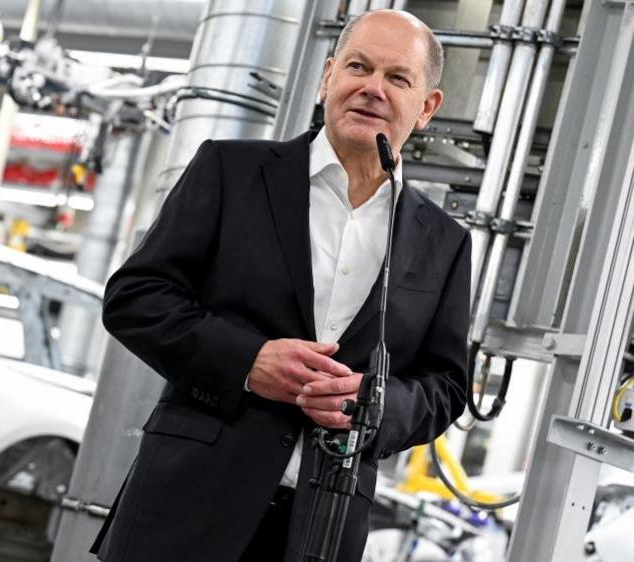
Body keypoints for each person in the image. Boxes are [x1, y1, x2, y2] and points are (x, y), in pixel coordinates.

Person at [92, 9, 469, 562]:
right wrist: (249, 361)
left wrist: (372, 405)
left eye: (397, 78)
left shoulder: (443, 241)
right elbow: (136, 298)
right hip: (186, 508)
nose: (372, 89)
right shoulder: (231, 170)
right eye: (358, 67)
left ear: (427, 107)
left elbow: (445, 386)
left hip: (322, 527)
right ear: (327, 76)